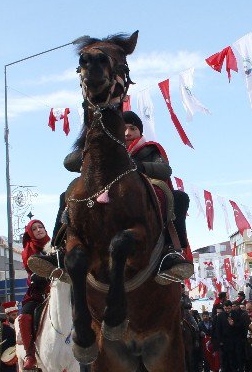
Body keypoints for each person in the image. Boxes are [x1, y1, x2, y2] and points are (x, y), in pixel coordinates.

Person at [32, 110, 194, 284]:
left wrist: (138, 166)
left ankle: (171, 252)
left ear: (140, 132)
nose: (127, 133)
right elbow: (69, 162)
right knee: (68, 194)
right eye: (123, 128)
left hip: (140, 195)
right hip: (102, 193)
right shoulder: (101, 148)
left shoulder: (149, 150)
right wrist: (90, 151)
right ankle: (60, 251)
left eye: (132, 128)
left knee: (179, 197)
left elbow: (165, 170)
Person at [19, 219, 51, 369]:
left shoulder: (55, 246)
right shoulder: (28, 250)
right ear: (30, 233)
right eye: (35, 228)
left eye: (41, 227)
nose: (39, 230)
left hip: (59, 285)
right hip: (38, 289)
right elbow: (32, 270)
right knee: (25, 316)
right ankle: (30, 353)